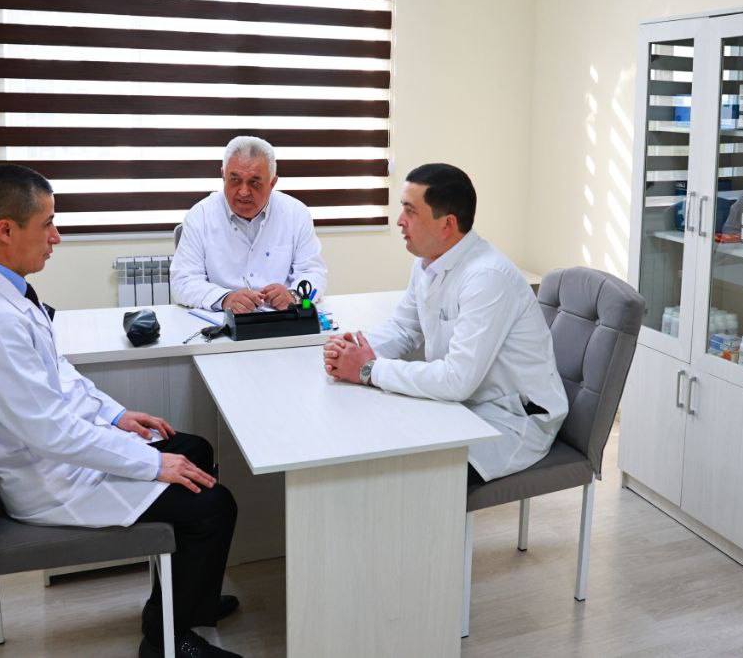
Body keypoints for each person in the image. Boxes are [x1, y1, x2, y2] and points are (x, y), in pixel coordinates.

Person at [0, 164, 241, 658]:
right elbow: (51, 433)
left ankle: (188, 602)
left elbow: (59, 376)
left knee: (195, 450)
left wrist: (117, 416)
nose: (56, 237)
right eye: (47, 224)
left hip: (58, 450)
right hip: (51, 478)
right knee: (213, 507)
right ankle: (166, 640)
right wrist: (151, 462)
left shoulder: (2, 294)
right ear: (6, 230)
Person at [323, 163, 568, 484]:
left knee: (402, 473)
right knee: (371, 437)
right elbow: (404, 328)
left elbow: (457, 380)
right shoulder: (427, 262)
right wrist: (353, 351)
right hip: (463, 404)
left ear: (447, 224)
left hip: (512, 419)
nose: (399, 220)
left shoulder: (487, 277)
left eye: (410, 211)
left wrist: (369, 370)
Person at [171, 136, 327, 314]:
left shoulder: (296, 213)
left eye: (254, 182)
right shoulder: (200, 215)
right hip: (222, 320)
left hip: (281, 318)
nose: (244, 192)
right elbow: (183, 281)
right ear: (223, 176)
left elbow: (313, 272)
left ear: (272, 183)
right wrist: (225, 299)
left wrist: (294, 296)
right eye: (235, 180)